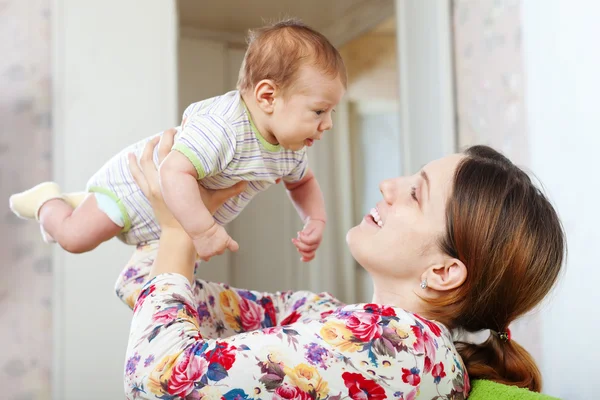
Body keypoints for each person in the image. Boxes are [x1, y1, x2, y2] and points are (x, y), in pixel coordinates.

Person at [118, 131, 564, 399]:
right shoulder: (328, 321)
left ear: (443, 272)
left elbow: (157, 382)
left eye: (415, 193)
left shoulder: (401, 348)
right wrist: (194, 210)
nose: (389, 185)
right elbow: (146, 290)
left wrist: (179, 231)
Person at [8, 19, 346, 263]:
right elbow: (172, 172)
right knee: (73, 239)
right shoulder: (223, 129)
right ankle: (47, 202)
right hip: (134, 190)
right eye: (319, 111)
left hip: (165, 214)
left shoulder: (291, 151)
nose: (328, 124)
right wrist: (203, 230)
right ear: (268, 96)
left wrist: (315, 219)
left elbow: (302, 183)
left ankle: (81, 203)